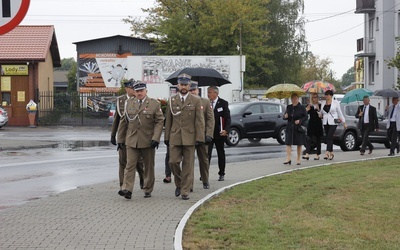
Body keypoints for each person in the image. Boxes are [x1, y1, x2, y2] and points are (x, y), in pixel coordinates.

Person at [119, 81, 164, 199]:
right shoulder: (129, 103)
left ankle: (148, 188)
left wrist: (156, 138)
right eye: (137, 91)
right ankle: (127, 189)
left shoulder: (154, 104)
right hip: (132, 139)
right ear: (134, 91)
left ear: (146, 91)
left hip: (148, 140)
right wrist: (120, 139)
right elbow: (124, 121)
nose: (139, 93)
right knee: (130, 165)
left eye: (141, 91)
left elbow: (160, 121)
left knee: (148, 166)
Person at [164, 73, 205, 200]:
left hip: (190, 137)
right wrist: (166, 137)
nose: (183, 87)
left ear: (189, 85)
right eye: (181, 84)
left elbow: (199, 121)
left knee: (188, 166)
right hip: (175, 136)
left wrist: (200, 138)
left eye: (185, 85)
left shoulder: (196, 100)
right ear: (177, 85)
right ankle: (179, 183)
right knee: (173, 162)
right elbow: (168, 120)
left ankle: (185, 191)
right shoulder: (172, 100)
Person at [110, 79, 144, 194]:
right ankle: (123, 186)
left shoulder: (139, 100)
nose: (134, 90)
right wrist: (113, 135)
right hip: (123, 136)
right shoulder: (121, 101)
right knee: (123, 162)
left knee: (138, 162)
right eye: (132, 88)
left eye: (135, 88)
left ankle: (144, 180)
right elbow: (117, 119)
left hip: (136, 136)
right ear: (127, 89)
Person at [189, 81, 214, 189]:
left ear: (198, 90)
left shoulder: (205, 102)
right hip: (189, 136)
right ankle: (189, 183)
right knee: (188, 161)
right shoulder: (185, 102)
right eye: (191, 90)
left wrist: (209, 134)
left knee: (204, 160)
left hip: (202, 136)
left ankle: (205, 179)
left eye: (194, 90)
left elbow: (210, 119)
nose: (192, 92)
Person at [207, 86, 231, 181]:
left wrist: (226, 130)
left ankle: (221, 173)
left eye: (210, 92)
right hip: (209, 133)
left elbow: (227, 118)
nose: (208, 94)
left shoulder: (223, 103)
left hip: (219, 133)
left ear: (216, 94)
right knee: (207, 154)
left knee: (220, 153)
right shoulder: (206, 103)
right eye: (208, 92)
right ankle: (205, 174)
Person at [321, 90, 347, 160]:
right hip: (325, 122)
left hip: (333, 122)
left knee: (329, 136)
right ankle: (331, 152)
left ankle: (327, 152)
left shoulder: (335, 103)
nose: (326, 96)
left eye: (327, 95)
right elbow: (322, 112)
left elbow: (340, 113)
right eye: (325, 95)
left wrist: (344, 122)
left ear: (331, 95)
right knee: (329, 137)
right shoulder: (323, 103)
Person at [283, 93, 308, 165]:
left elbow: (305, 117)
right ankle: (288, 158)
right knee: (288, 143)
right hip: (290, 127)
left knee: (299, 143)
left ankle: (298, 159)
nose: (294, 100)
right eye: (293, 99)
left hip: (298, 128)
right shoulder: (289, 107)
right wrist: (285, 116)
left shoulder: (301, 107)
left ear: (298, 98)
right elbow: (284, 117)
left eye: (295, 98)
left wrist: (300, 121)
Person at [303, 93, 323, 160]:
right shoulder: (310, 105)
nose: (315, 98)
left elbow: (322, 115)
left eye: (316, 97)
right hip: (311, 123)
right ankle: (307, 154)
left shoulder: (320, 105)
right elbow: (305, 114)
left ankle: (317, 154)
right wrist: (306, 110)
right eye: (314, 97)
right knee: (308, 138)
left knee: (318, 139)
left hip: (318, 123)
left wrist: (318, 110)